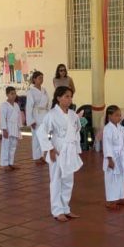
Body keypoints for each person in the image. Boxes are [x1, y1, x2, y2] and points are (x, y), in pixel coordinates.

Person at [37, 86, 83, 222]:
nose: (69, 99)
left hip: (70, 148)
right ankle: (57, 210)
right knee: (56, 179)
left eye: (71, 96)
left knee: (68, 179)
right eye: (66, 96)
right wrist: (50, 148)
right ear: (58, 98)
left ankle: (65, 208)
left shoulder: (73, 114)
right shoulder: (51, 114)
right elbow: (42, 132)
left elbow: (76, 132)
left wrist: (77, 150)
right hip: (58, 148)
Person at [103, 105, 124, 209]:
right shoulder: (107, 129)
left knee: (121, 178)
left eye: (120, 115)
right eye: (116, 115)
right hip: (112, 156)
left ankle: (120, 198)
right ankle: (110, 201)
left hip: (121, 156)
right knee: (111, 179)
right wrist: (110, 159)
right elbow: (107, 144)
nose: (119, 117)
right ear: (109, 116)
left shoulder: (122, 128)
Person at [26, 70, 49, 166]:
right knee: (36, 137)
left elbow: (48, 102)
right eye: (39, 78)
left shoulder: (44, 90)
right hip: (36, 114)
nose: (41, 79)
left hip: (44, 114)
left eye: (42, 77)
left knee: (43, 136)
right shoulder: (31, 91)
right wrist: (31, 120)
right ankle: (36, 157)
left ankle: (41, 156)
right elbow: (29, 106)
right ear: (34, 79)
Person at [0, 86, 22, 171]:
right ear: (7, 95)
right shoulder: (4, 105)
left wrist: (19, 127)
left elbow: (18, 116)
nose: (13, 95)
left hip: (15, 127)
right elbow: (2, 118)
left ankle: (11, 163)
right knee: (6, 146)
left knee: (13, 146)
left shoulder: (16, 105)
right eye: (11, 94)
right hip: (8, 127)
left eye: (14, 93)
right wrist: (4, 129)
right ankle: (5, 164)